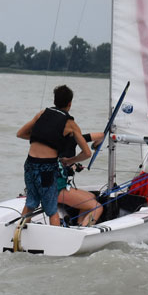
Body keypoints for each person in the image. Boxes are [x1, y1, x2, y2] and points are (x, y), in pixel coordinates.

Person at [15, 84, 92, 228]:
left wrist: (42, 138)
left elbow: (20, 134)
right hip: (46, 169)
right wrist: (70, 160)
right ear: (70, 104)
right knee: (51, 209)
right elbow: (87, 153)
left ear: (54, 100)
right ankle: (55, 236)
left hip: (29, 165)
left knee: (31, 202)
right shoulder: (70, 124)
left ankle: (19, 232)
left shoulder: (42, 113)